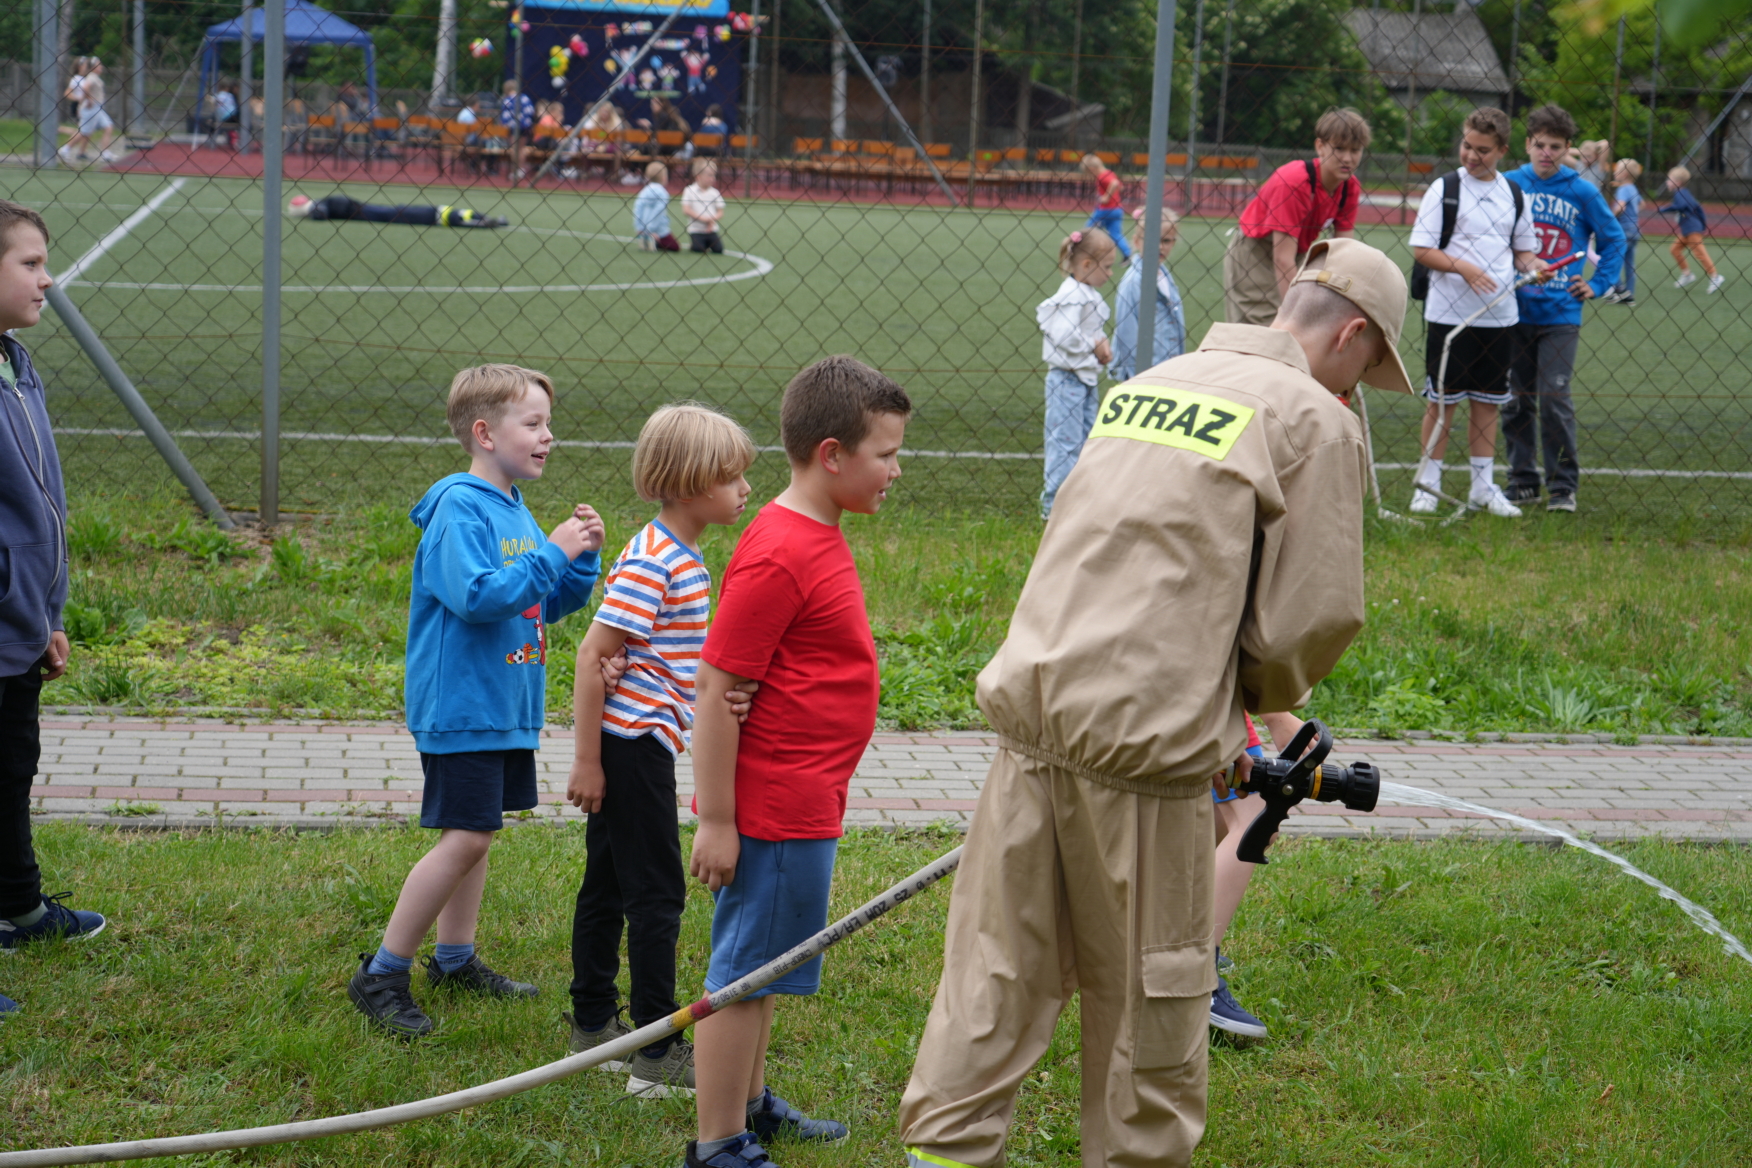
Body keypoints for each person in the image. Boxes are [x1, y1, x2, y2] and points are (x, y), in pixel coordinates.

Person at [897, 237, 1409, 1168]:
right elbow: (1306, 621)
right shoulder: (1315, 419)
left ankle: (942, 1152)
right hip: (1146, 764)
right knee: (1152, 1023)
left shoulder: (1152, 384)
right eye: (1369, 369)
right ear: (1354, 336)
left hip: (1033, 725)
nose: (1358, 389)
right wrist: (1251, 705)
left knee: (991, 985)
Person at [684, 356, 913, 1168]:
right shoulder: (781, 549)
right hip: (774, 806)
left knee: (771, 965)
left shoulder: (817, 532)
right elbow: (716, 687)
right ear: (832, 455)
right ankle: (718, 1144)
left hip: (808, 798)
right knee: (745, 974)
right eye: (886, 454)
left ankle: (749, 1107)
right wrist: (718, 819)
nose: (896, 469)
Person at [346, 364, 607, 1039]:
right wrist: (550, 553)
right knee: (468, 834)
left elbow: (538, 602)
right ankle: (382, 972)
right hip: (462, 707)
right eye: (534, 423)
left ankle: (455, 959)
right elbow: (477, 597)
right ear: (486, 433)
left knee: (477, 831)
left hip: (501, 707)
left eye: (549, 423)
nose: (548, 436)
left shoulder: (512, 506)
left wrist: (578, 561)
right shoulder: (459, 507)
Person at [562, 403, 760, 1101]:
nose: (745, 489)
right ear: (689, 483)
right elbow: (593, 656)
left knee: (610, 884)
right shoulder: (657, 560)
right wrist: (588, 760)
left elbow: (663, 653)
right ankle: (654, 1050)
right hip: (632, 747)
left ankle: (593, 1026)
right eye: (732, 478)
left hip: (640, 741)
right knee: (656, 895)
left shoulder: (676, 552)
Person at [0, 201, 108, 1011]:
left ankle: (19, 907)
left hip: (20, 627)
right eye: (30, 264)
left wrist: (46, 617)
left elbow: (41, 505)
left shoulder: (15, 364)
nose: (47, 279)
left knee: (12, 768)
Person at [1407, 107, 1543, 518]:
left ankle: (1483, 488)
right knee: (1442, 401)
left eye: (1482, 150)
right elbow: (1422, 249)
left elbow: (1523, 251)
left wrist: (1534, 266)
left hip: (1499, 316)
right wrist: (1463, 268)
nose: (1471, 155)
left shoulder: (1514, 194)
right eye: (1467, 145)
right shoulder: (1445, 188)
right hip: (1448, 316)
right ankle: (1428, 484)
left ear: (1502, 150)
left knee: (1487, 402)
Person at [1502, 104, 1625, 514]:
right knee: (1515, 400)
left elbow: (1613, 240)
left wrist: (1598, 283)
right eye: (1540, 145)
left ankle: (1562, 486)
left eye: (1555, 147)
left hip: (1560, 313)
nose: (1547, 153)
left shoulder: (1582, 191)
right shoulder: (1509, 184)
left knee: (1554, 398)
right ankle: (1522, 481)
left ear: (1567, 148)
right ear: (1527, 144)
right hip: (1513, 310)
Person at [1224, 107, 1369, 326]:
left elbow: (1344, 251)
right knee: (1265, 327)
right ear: (1320, 146)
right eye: (1339, 148)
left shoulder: (1349, 186)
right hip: (1256, 252)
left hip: (1297, 252)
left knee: (1306, 332)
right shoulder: (1295, 181)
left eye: (1355, 150)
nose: (1347, 158)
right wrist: (1298, 315)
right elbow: (1282, 259)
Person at [1036, 229, 1117, 518]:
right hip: (1067, 379)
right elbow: (1063, 334)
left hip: (1083, 378)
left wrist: (1101, 344)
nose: (1110, 274)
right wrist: (1094, 345)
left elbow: (1087, 331)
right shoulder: (1072, 296)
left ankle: (1078, 503)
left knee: (1085, 441)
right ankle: (1053, 509)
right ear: (1086, 265)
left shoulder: (1087, 294)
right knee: (1065, 443)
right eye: (1107, 267)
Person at [1109, 209, 1187, 382]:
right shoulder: (1133, 281)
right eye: (1153, 240)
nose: (1160, 247)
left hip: (1168, 367)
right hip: (1143, 372)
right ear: (1137, 241)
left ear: (1174, 242)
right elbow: (1126, 331)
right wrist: (1136, 376)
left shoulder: (1164, 274)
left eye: (1166, 241)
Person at [1654, 166, 1724, 293]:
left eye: (1669, 179)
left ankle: (1715, 276)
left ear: (1677, 182)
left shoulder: (1679, 192)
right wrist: (1702, 224)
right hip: (1688, 230)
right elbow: (1698, 209)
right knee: (1675, 250)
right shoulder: (1685, 193)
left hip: (1692, 229)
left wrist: (1663, 209)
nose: (1667, 182)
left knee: (1700, 253)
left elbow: (1681, 206)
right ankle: (1687, 274)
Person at [287, 193, 506, 228]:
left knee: (436, 212)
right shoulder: (321, 205)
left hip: (380, 211)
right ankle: (483, 222)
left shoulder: (322, 203)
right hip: (382, 213)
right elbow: (320, 213)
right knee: (429, 213)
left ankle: (483, 219)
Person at [1603, 159, 1644, 306]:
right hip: (1634, 230)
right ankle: (1629, 294)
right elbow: (1642, 204)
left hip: (1623, 231)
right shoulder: (1633, 188)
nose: (1614, 172)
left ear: (1624, 174)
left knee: (1612, 260)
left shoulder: (1623, 190)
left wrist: (1610, 218)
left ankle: (1619, 290)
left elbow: (1621, 207)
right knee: (1629, 263)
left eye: (1617, 170)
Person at [1078, 153, 1132, 262]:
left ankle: (1082, 252)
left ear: (1092, 169)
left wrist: (1106, 197)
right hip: (1117, 209)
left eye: (1088, 172)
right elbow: (1120, 186)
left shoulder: (1102, 176)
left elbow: (1114, 183)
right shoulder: (1110, 173)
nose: (1090, 175)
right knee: (1115, 234)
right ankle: (1127, 254)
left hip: (1105, 210)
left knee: (1088, 230)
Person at [682, 160, 727, 254]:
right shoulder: (689, 190)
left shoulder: (714, 192)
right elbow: (686, 210)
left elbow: (720, 212)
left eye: (714, 175)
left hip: (711, 229)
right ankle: (696, 244)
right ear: (698, 176)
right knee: (698, 249)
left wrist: (711, 220)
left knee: (718, 250)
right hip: (696, 230)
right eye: (709, 175)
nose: (713, 178)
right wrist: (704, 219)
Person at [634, 162, 680, 252]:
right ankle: (655, 242)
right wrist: (651, 230)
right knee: (675, 247)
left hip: (643, 227)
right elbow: (658, 212)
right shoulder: (663, 193)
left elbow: (638, 208)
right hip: (659, 229)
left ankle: (645, 238)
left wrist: (639, 227)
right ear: (664, 178)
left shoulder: (644, 191)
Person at [499, 78, 536, 175]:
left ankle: (515, 170)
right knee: (521, 148)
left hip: (513, 127)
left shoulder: (507, 100)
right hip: (525, 126)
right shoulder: (525, 98)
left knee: (515, 149)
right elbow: (531, 112)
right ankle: (521, 169)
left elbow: (504, 117)